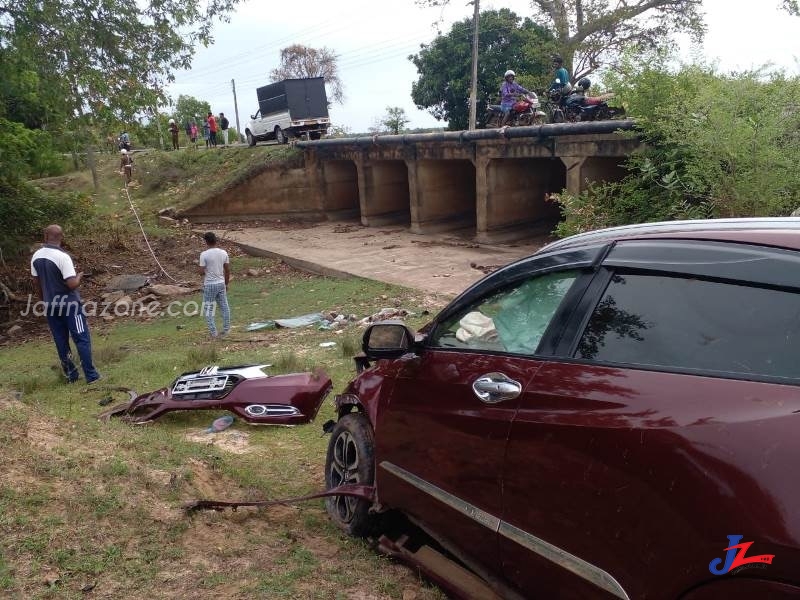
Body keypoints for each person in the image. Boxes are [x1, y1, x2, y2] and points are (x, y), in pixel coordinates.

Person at [31, 224, 101, 384]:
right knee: (81, 338)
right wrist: (79, 276)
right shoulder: (62, 257)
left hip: (50, 306)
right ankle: (91, 376)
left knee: (61, 340)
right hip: (70, 305)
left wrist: (43, 303)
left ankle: (71, 375)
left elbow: (37, 283)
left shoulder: (36, 256)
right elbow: (71, 284)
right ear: (61, 237)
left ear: (45, 236)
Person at [199, 231, 231, 338]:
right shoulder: (223, 253)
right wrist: (226, 284)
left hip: (210, 284)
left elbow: (201, 271)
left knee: (208, 308)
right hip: (221, 283)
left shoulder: (204, 254)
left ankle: (213, 332)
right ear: (216, 240)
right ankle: (226, 330)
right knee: (224, 307)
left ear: (206, 242)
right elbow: (227, 270)